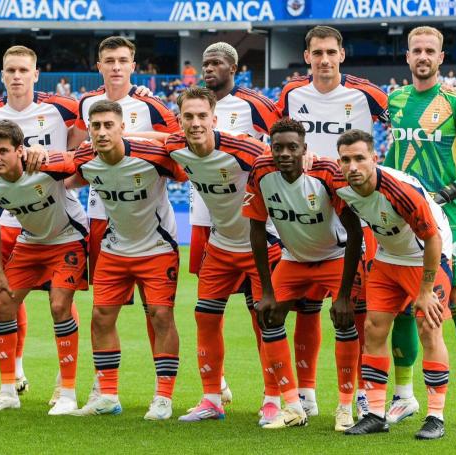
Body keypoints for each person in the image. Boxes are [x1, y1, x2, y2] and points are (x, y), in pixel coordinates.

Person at [275, 25, 389, 418]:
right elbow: (276, 136)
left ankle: (360, 393)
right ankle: (304, 393)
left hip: (355, 210)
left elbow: (402, 125)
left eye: (330, 52)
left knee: (358, 310)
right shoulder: (292, 93)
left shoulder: (366, 94)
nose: (324, 60)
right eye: (317, 53)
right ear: (307, 56)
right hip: (306, 213)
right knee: (306, 309)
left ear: (342, 54)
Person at [384, 26, 456, 428]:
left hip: (449, 219)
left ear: (441, 58)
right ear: (407, 57)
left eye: (431, 50)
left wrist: (447, 192)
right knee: (400, 304)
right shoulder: (394, 101)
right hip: (402, 219)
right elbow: (393, 154)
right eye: (417, 50)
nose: (423, 56)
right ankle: (404, 395)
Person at [0, 45, 84, 398]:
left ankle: (67, 380)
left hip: (57, 208)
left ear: (35, 74)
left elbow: (93, 132)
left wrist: (52, 156)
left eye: (23, 70)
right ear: (2, 75)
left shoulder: (62, 107)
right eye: (10, 70)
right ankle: (14, 369)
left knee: (61, 297)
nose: (16, 76)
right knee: (7, 294)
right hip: (11, 215)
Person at [67, 36, 180, 406]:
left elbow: (176, 144)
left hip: (148, 215)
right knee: (104, 310)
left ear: (134, 65)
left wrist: (126, 138)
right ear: (99, 65)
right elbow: (78, 154)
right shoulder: (88, 103)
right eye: (108, 60)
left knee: (157, 308)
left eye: (122, 60)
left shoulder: (150, 104)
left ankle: (169, 389)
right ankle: (102, 388)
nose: (115, 66)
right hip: (102, 212)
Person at [319, 130, 453, 440]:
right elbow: (312, 166)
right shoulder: (340, 183)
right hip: (388, 257)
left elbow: (432, 238)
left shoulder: (399, 190)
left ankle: (436, 417)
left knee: (429, 328)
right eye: (346, 160)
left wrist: (425, 290)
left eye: (360, 159)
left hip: (426, 256)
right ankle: (376, 414)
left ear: (374, 159)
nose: (353, 166)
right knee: (374, 328)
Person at [165, 86, 280, 424]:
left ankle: (273, 399)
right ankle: (212, 398)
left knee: (267, 322)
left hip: (261, 245)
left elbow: (282, 159)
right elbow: (149, 141)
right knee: (206, 317)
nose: (196, 123)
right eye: (189, 117)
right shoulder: (176, 147)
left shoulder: (243, 149)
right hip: (220, 246)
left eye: (202, 116)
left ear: (215, 119)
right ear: (180, 121)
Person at [243, 118, 363, 430]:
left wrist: (344, 295)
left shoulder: (325, 173)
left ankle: (346, 407)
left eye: (292, 147)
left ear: (304, 149)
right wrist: (267, 291)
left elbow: (355, 232)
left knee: (345, 319)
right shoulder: (261, 172)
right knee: (268, 315)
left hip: (335, 256)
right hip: (293, 258)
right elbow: (256, 229)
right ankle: (293, 406)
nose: (284, 153)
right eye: (277, 147)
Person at [187, 41, 282, 412]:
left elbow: (284, 143)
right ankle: (215, 389)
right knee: (207, 310)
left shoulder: (255, 105)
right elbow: (165, 141)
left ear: (233, 67)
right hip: (209, 220)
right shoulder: (192, 107)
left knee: (260, 311)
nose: (209, 68)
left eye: (216, 63)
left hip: (256, 224)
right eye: (205, 63)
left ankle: (276, 395)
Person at [0, 120, 88, 414]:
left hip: (69, 237)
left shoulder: (47, 164)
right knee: (1, 302)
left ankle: (67, 393)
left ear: (20, 151)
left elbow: (82, 163)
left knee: (59, 304)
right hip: (31, 242)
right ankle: (8, 390)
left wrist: (44, 150)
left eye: (2, 151)